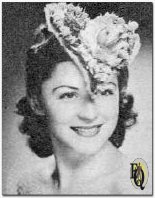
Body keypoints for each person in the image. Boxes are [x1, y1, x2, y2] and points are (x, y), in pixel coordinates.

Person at [6, 3, 141, 195]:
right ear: (37, 101)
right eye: (69, 95)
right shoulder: (29, 185)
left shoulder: (134, 187)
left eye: (104, 91)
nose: (90, 113)